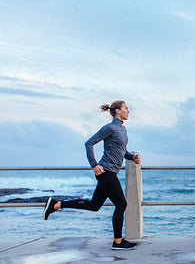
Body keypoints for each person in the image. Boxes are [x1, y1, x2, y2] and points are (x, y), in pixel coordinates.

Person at [43, 100, 141, 250]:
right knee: (121, 204)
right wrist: (94, 165)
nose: (129, 111)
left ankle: (56, 204)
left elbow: (121, 151)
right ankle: (118, 241)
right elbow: (89, 143)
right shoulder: (110, 128)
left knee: (95, 205)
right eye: (126, 108)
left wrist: (131, 157)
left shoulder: (123, 129)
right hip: (105, 171)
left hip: (110, 172)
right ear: (117, 111)